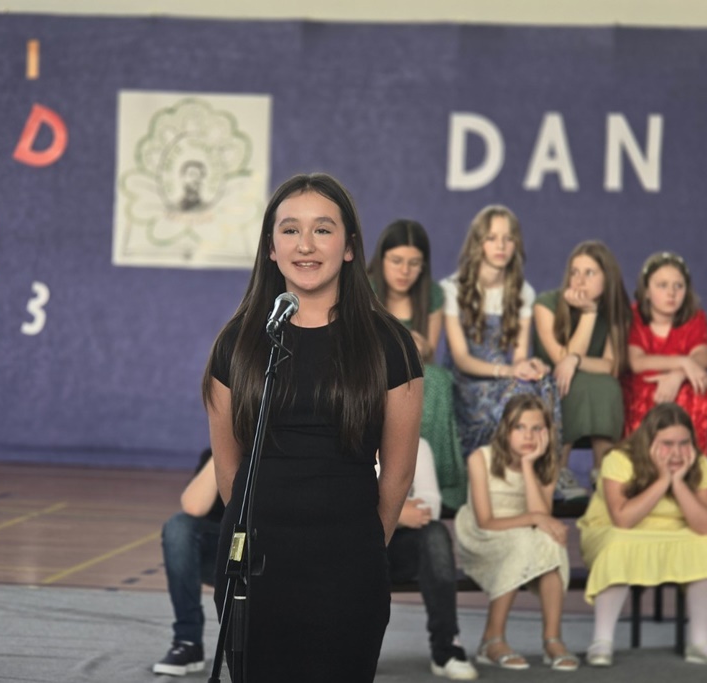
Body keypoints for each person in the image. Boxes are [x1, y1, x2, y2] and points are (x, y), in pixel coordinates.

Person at [203, 173, 423, 681]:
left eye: (323, 230)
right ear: (270, 248)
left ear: (349, 247)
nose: (305, 245)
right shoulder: (237, 343)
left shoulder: (389, 344)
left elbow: (397, 474)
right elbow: (230, 474)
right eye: (290, 230)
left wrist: (361, 545)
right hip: (254, 569)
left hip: (349, 567)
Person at [577, 403, 707, 668]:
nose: (677, 452)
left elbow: (705, 526)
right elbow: (623, 519)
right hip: (616, 530)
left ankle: (700, 642)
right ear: (649, 442)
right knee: (619, 545)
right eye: (667, 444)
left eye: (684, 443)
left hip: (674, 532)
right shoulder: (619, 459)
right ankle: (602, 641)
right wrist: (663, 480)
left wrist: (678, 483)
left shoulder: (697, 463)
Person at [454, 394, 578, 672]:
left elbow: (542, 516)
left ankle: (552, 639)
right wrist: (535, 518)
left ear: (547, 433)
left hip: (525, 536)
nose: (528, 436)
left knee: (550, 541)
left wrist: (528, 465)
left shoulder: (546, 464)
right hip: (482, 536)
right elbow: (486, 521)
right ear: (506, 430)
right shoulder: (481, 458)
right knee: (527, 539)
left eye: (536, 428)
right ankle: (492, 639)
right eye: (520, 427)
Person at [441, 206, 558, 487]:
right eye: (492, 238)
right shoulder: (453, 288)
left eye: (508, 239)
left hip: (504, 377)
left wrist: (528, 367)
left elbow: (519, 355)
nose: (501, 246)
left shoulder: (523, 292)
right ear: (478, 242)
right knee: (516, 393)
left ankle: (547, 476)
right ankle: (499, 478)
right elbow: (461, 358)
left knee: (544, 383)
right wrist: (507, 371)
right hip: (468, 382)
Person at [368, 219, 467, 511]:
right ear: (381, 259)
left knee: (437, 379)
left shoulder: (432, 294)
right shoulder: (365, 289)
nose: (404, 271)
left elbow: (428, 354)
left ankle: (431, 476)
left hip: (412, 369)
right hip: (372, 368)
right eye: (397, 261)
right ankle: (397, 466)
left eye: (414, 264)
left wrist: (419, 346)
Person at [533, 240, 631, 498]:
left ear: (606, 277)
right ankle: (558, 471)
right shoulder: (545, 304)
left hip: (591, 383)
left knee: (607, 385)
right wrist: (588, 314)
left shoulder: (616, 312)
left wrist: (576, 360)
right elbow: (560, 361)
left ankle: (604, 470)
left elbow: (610, 365)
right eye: (574, 272)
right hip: (549, 381)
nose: (579, 280)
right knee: (572, 383)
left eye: (589, 273)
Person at [385, 438, 478, 679]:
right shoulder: (346, 441)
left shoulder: (417, 445)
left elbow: (430, 506)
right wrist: (400, 513)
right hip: (358, 547)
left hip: (400, 551)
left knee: (435, 534)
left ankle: (446, 648)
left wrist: (381, 509)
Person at [624, 251, 707, 451]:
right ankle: (643, 459)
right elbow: (637, 362)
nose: (671, 293)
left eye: (678, 286)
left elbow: (702, 356)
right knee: (646, 393)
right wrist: (684, 362)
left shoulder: (695, 317)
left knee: (697, 388)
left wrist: (678, 375)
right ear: (646, 291)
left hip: (679, 384)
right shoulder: (634, 316)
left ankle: (690, 461)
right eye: (662, 285)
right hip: (640, 385)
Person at [153, 449, 224, 676]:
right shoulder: (216, 452)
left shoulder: (283, 454)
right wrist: (223, 452)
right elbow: (193, 507)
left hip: (266, 553)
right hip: (220, 553)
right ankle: (188, 641)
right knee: (179, 526)